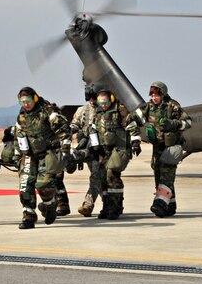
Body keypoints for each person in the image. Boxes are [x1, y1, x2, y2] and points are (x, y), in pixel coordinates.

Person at [127, 81, 191, 217]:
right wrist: (135, 139)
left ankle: (160, 205)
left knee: (166, 177)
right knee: (158, 176)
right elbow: (131, 119)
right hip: (157, 148)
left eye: (157, 95)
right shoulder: (148, 107)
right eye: (153, 95)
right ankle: (171, 205)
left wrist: (172, 123)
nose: (154, 97)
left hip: (171, 147)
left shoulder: (172, 106)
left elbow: (188, 122)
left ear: (163, 94)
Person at [13, 86, 71, 229]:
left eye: (28, 101)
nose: (26, 104)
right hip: (30, 154)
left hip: (48, 152)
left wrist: (65, 150)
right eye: (22, 102)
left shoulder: (48, 111)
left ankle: (50, 204)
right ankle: (28, 216)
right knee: (25, 185)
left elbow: (64, 128)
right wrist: (16, 155)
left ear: (35, 98)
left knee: (43, 184)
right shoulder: (21, 116)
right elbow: (18, 135)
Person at [81, 88, 139, 220]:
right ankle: (106, 207)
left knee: (111, 176)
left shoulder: (120, 110)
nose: (103, 104)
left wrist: (135, 142)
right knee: (102, 179)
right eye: (101, 102)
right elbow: (93, 128)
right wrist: (94, 145)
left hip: (118, 149)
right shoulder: (98, 112)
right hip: (103, 150)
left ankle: (115, 207)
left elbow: (132, 125)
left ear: (111, 99)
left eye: (105, 101)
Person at [70, 83, 102, 217]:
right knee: (97, 177)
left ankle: (88, 204)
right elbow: (74, 125)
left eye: (94, 97)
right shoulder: (82, 110)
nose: (92, 100)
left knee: (97, 177)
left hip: (101, 150)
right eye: (90, 97)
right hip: (87, 148)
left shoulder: (106, 110)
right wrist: (72, 132)